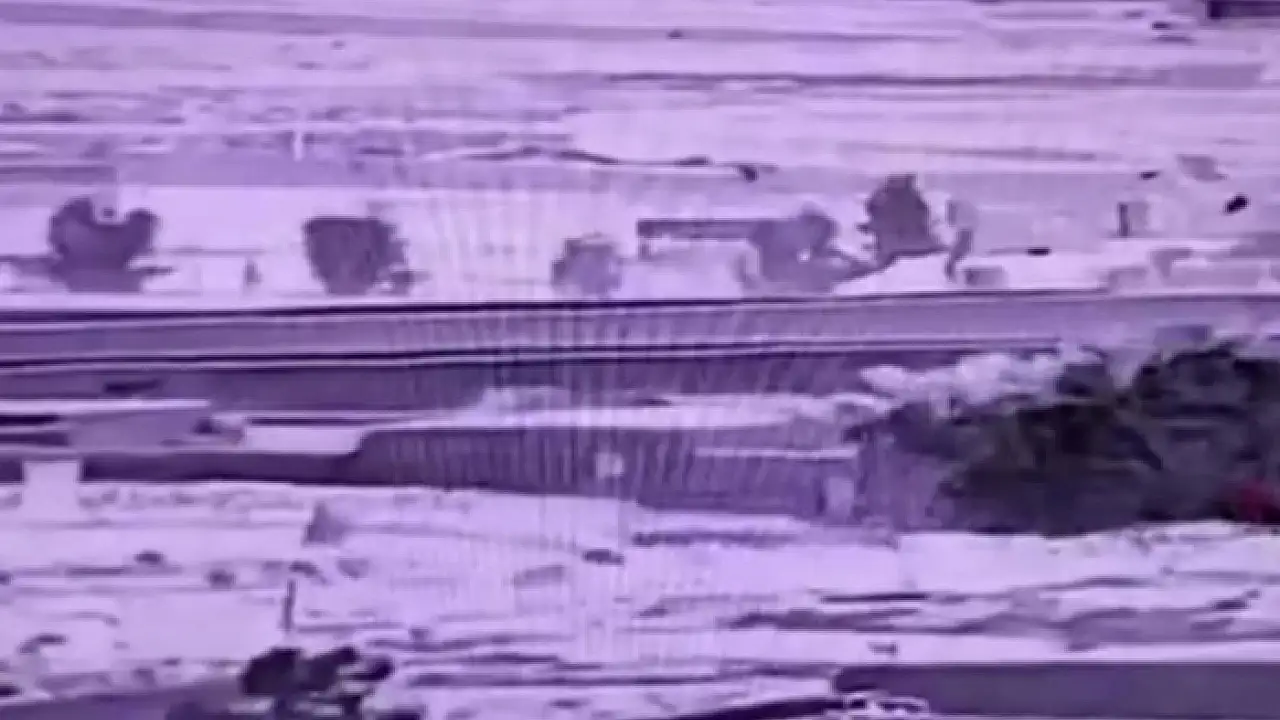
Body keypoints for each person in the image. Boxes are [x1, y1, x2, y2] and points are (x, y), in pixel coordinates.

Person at [863, 173, 944, 266]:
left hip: (894, 247)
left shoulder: (882, 199)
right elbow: (924, 213)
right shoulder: (913, 197)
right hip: (923, 245)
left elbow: (874, 213)